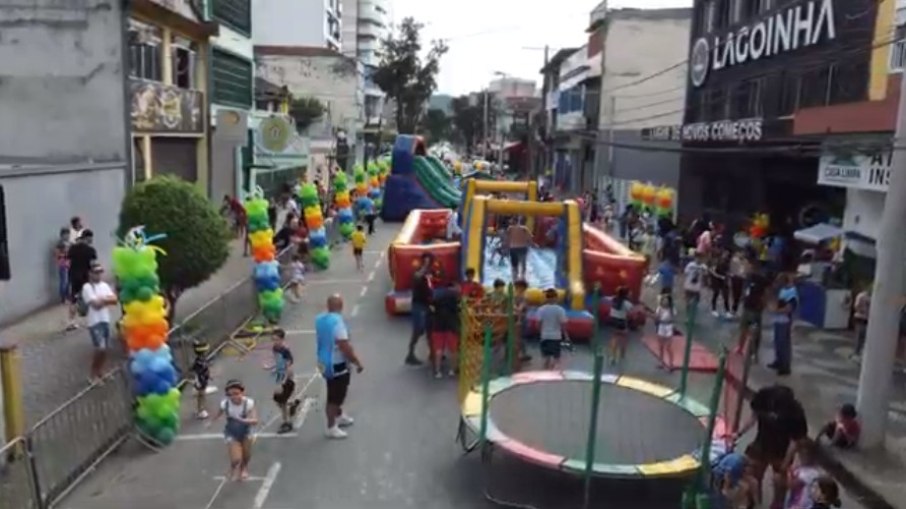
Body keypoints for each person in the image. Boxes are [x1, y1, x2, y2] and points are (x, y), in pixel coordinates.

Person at [735, 384, 809, 509]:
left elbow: (796, 441)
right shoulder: (763, 398)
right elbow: (753, 417)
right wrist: (739, 433)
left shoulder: (795, 412)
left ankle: (777, 505)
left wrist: (785, 464)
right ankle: (752, 501)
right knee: (752, 473)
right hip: (761, 443)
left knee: (779, 481)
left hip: (782, 449)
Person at [315, 294, 363, 439]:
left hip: (324, 361)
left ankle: (339, 415)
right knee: (335, 396)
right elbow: (344, 346)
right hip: (337, 364)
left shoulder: (321, 319)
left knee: (333, 390)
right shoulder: (337, 323)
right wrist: (357, 362)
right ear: (341, 306)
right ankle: (331, 427)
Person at [210, 379, 259, 481]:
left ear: (242, 392)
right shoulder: (225, 404)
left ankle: (244, 468)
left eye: (236, 393)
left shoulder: (249, 403)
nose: (234, 397)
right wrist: (211, 422)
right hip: (231, 433)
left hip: (246, 431)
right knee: (236, 458)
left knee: (246, 454)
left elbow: (255, 420)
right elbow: (218, 414)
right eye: (230, 394)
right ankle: (233, 468)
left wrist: (243, 420)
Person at [82, 261, 117, 382]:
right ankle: (92, 374)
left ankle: (100, 371)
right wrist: (106, 300)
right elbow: (95, 305)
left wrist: (102, 300)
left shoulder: (105, 285)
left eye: (100, 272)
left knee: (105, 349)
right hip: (94, 322)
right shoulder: (87, 287)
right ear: (90, 273)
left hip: (105, 319)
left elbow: (114, 300)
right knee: (100, 348)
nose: (98, 275)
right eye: (96, 272)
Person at [269, 329, 301, 434]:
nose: (274, 342)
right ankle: (292, 406)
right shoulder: (274, 349)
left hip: (286, 379)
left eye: (277, 340)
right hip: (279, 377)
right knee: (279, 401)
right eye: (273, 339)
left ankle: (287, 423)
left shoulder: (285, 352)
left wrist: (282, 383)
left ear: (282, 339)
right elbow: (278, 363)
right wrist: (271, 367)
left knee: (282, 402)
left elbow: (288, 368)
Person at [738, 257, 769, 361]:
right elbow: (745, 289)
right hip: (747, 306)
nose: (748, 268)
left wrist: (763, 304)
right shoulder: (748, 277)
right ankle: (740, 348)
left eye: (750, 266)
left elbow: (766, 293)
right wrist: (743, 297)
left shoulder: (762, 279)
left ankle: (753, 353)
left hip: (756, 308)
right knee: (743, 328)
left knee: (755, 332)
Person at [66, 229, 97, 331]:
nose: (92, 240)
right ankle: (91, 321)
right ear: (88, 238)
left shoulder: (72, 248)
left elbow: (67, 261)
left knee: (73, 299)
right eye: (91, 238)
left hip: (73, 276)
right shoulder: (91, 250)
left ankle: (71, 322)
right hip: (85, 277)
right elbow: (93, 265)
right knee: (89, 298)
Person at [406, 254, 434, 366]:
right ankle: (410, 354)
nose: (427, 263)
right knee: (418, 329)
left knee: (430, 329)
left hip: (427, 304)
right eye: (425, 261)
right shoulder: (418, 272)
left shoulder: (431, 273)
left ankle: (432, 353)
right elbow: (417, 278)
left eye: (429, 261)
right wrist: (424, 268)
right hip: (418, 304)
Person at [770, 274, 799, 376]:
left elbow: (789, 308)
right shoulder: (783, 290)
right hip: (778, 320)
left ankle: (785, 366)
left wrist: (777, 310)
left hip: (785, 321)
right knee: (777, 342)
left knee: (784, 344)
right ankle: (778, 361)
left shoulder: (792, 293)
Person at [430, 281, 460, 378]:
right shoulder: (454, 297)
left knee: (438, 350)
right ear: (453, 287)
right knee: (453, 349)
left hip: (438, 325)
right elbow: (457, 310)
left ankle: (438, 371)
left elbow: (432, 308)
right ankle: (453, 370)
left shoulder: (438, 296)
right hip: (451, 325)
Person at [537, 288, 569, 370]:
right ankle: (554, 372)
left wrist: (540, 333)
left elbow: (539, 323)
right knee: (556, 357)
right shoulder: (560, 310)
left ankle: (545, 372)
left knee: (546, 357)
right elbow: (563, 324)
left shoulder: (541, 309)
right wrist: (566, 335)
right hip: (556, 336)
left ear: (546, 298)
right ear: (556, 298)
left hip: (545, 336)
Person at [785, 445, 822, 509]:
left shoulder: (810, 473)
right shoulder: (802, 469)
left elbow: (791, 484)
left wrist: (789, 472)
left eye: (799, 456)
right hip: (794, 501)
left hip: (801, 505)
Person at [609, 286, 633, 365]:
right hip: (621, 321)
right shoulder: (626, 303)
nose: (631, 294)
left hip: (613, 320)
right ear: (626, 294)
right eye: (629, 293)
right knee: (624, 337)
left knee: (615, 338)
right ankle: (622, 354)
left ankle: (613, 355)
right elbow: (631, 312)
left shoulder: (614, 299)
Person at [653, 293, 677, 370]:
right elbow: (656, 317)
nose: (665, 302)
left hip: (669, 326)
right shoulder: (659, 308)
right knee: (661, 346)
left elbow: (673, 317)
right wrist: (656, 318)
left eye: (666, 301)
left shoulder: (672, 309)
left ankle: (671, 363)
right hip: (661, 326)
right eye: (663, 300)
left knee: (668, 347)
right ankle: (661, 362)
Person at [191, 340, 212, 419]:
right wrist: (198, 382)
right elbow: (197, 372)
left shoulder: (202, 359)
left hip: (203, 380)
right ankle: (200, 410)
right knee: (201, 395)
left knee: (202, 395)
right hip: (201, 380)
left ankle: (201, 409)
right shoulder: (199, 362)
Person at [851, 284, 871, 361]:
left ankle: (860, 352)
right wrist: (863, 310)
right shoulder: (861, 296)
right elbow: (856, 306)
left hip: (867, 318)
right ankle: (856, 352)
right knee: (859, 335)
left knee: (864, 336)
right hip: (860, 317)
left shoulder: (871, 297)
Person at [710, 250, 732, 318]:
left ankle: (727, 311)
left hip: (724, 280)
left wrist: (729, 275)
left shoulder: (727, 262)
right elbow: (712, 271)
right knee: (716, 293)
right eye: (725, 254)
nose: (726, 256)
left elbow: (728, 271)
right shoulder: (717, 261)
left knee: (726, 295)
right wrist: (719, 276)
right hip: (716, 280)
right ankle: (713, 309)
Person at [54, 227, 71, 304]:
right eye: (65, 234)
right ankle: (63, 298)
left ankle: (67, 296)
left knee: (68, 281)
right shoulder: (60, 244)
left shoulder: (69, 243)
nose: (67, 236)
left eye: (68, 234)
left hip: (69, 264)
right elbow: (57, 254)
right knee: (64, 281)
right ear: (62, 235)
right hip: (63, 264)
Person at [729, 250, 747, 318]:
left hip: (741, 279)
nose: (742, 254)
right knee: (734, 293)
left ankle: (734, 309)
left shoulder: (745, 261)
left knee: (738, 295)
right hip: (735, 278)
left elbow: (746, 270)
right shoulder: (734, 260)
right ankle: (732, 308)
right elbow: (731, 268)